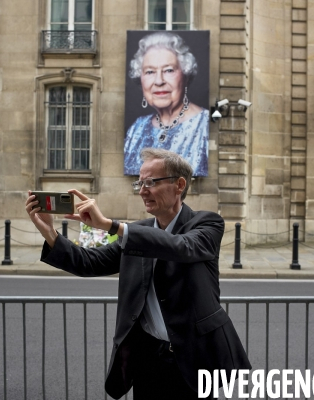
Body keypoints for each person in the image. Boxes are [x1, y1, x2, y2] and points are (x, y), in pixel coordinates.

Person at [26, 148, 250, 399]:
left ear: (179, 185)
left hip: (192, 358)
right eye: (139, 183)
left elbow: (182, 247)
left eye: (151, 182)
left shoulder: (207, 223)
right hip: (146, 359)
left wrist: (111, 225)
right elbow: (90, 262)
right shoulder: (135, 232)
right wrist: (50, 232)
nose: (142, 190)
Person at [124, 32, 209, 177]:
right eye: (150, 72)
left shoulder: (204, 125)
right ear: (141, 78)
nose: (159, 81)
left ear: (185, 75)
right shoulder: (136, 129)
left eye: (168, 70)